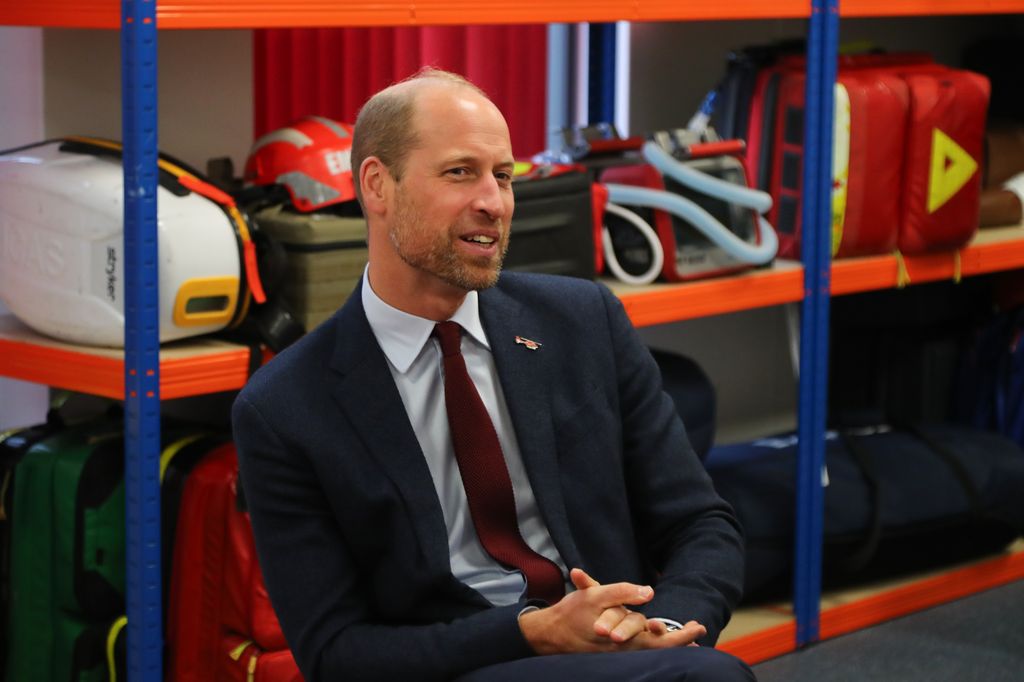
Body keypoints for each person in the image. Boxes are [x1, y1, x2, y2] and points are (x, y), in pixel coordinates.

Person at [232, 68, 754, 682]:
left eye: (503, 176)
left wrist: (665, 626)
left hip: (617, 649)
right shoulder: (286, 406)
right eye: (460, 172)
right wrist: (530, 633)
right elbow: (337, 652)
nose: (494, 202)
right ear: (377, 185)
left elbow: (699, 521)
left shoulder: (584, 321)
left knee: (698, 674)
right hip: (457, 663)